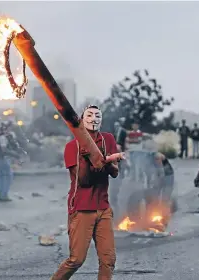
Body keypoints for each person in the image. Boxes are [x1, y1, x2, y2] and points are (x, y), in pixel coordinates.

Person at [51, 105, 119, 280]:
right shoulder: (72, 147)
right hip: (82, 208)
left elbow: (115, 173)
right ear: (81, 120)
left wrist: (109, 161)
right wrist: (89, 157)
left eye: (98, 115)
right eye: (89, 115)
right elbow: (84, 181)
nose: (94, 119)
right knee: (76, 260)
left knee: (108, 259)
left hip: (103, 207)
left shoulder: (108, 139)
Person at [0, 122, 21, 202]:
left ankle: (0, 194)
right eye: (9, 128)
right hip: (3, 159)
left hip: (0, 159)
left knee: (2, 177)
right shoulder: (3, 138)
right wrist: (14, 154)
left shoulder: (2, 136)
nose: (10, 130)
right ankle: (4, 195)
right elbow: (4, 149)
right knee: (8, 177)